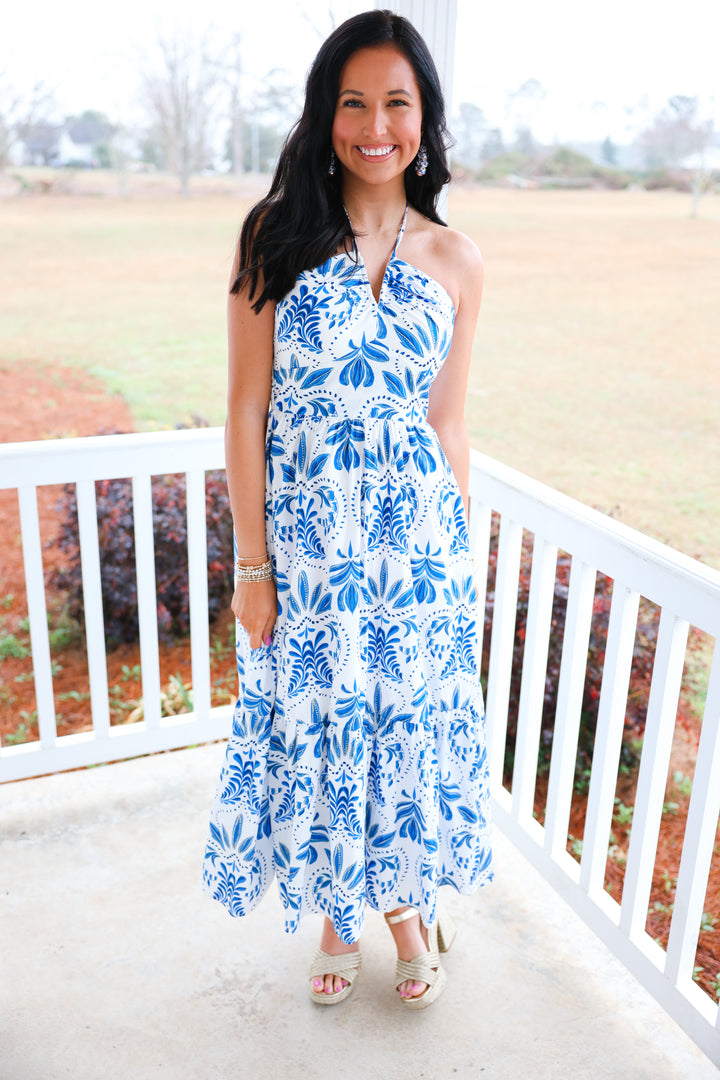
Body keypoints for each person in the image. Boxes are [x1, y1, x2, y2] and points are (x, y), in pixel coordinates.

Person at [202, 8, 493, 1010]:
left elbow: (446, 426)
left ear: (426, 118)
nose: (376, 125)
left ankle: (407, 915)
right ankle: (337, 916)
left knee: (403, 730)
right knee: (325, 726)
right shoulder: (276, 234)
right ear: (328, 112)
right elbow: (247, 403)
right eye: (354, 101)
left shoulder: (458, 260)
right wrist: (252, 563)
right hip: (311, 551)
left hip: (419, 558)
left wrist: (461, 567)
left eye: (397, 103)